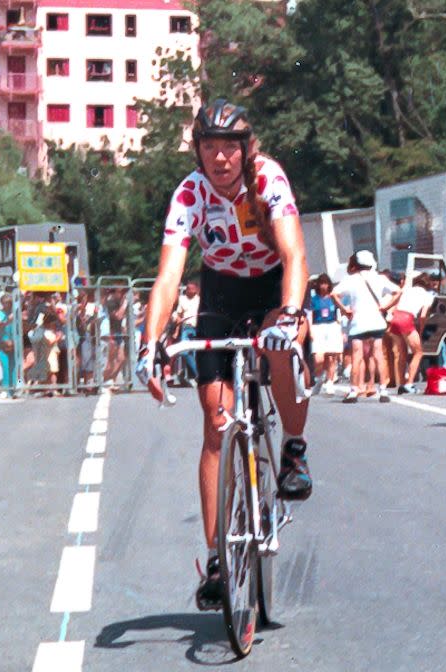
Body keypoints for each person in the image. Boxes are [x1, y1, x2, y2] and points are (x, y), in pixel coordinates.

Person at [134, 99, 312, 611]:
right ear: (198, 152)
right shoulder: (189, 193)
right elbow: (169, 276)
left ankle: (293, 451)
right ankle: (217, 559)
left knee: (283, 348)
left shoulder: (268, 179)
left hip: (273, 285)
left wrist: (293, 313)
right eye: (209, 148)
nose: (220, 158)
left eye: (229, 148)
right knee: (215, 424)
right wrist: (150, 345)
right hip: (220, 293)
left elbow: (295, 253)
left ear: (245, 150)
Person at [332, 250, 400, 403]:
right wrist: (385, 306)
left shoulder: (351, 279)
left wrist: (344, 310)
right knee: (378, 355)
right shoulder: (380, 278)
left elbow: (334, 294)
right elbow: (398, 291)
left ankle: (354, 391)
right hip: (376, 321)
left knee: (357, 356)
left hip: (358, 322)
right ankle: (383, 390)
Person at [390, 272, 436, 394]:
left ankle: (401, 383)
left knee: (402, 353)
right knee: (418, 352)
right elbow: (423, 315)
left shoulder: (407, 290)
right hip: (406, 319)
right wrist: (421, 329)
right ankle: (409, 384)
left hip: (395, 318)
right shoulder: (428, 296)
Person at [306, 273, 344, 395]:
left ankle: (330, 382)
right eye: (321, 283)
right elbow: (309, 316)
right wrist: (310, 330)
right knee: (319, 358)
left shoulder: (333, 298)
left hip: (332, 326)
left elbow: (339, 314)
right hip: (318, 327)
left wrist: (342, 331)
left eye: (326, 283)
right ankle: (319, 378)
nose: (324, 286)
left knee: (331, 357)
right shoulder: (314, 299)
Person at [171, 279, 200, 385]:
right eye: (187, 288)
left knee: (195, 352)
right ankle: (197, 375)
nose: (188, 290)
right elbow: (179, 314)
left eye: (191, 289)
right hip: (186, 328)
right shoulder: (182, 299)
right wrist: (177, 329)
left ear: (196, 290)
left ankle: (189, 376)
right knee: (184, 352)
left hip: (197, 328)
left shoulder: (199, 300)